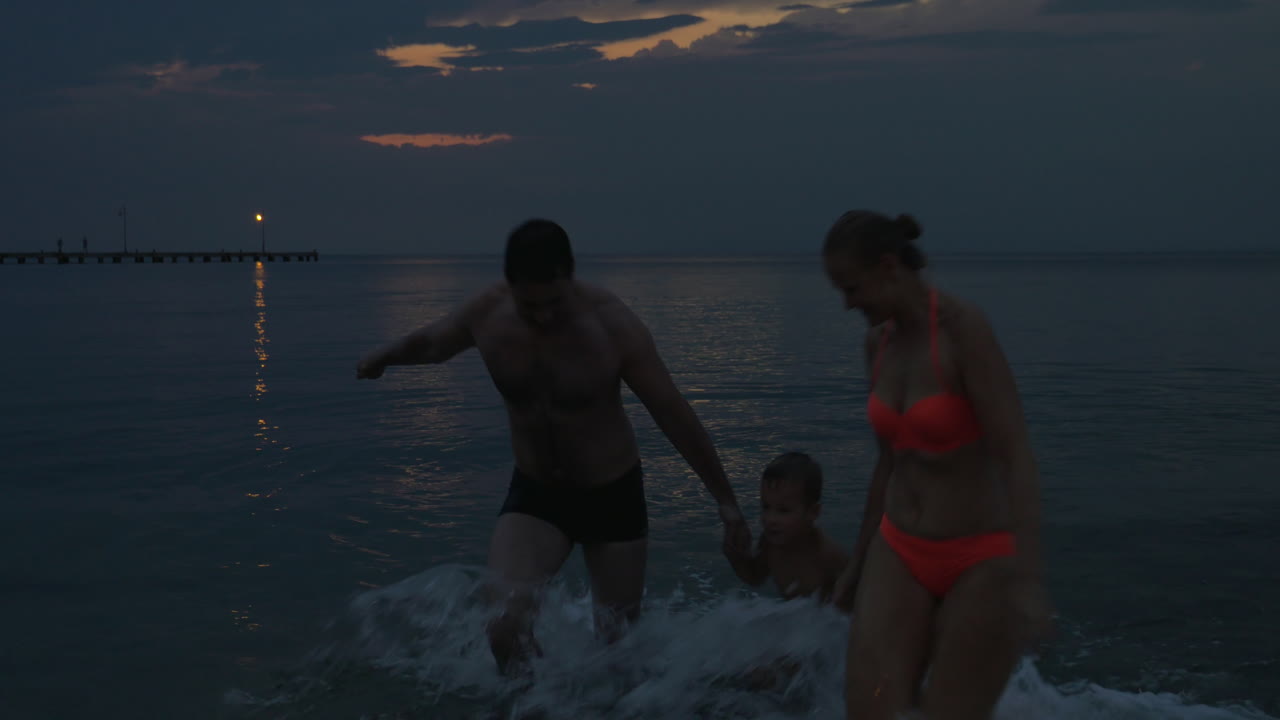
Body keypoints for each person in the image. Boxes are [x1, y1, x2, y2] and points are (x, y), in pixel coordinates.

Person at [356, 218, 752, 675]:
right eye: (530, 306)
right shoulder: (488, 314)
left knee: (618, 652)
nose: (543, 316)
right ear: (510, 286)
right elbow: (433, 343)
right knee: (503, 628)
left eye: (554, 303)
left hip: (612, 495)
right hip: (537, 495)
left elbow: (672, 413)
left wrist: (726, 503)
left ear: (571, 277)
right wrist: (385, 357)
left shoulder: (612, 326)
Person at [822, 211, 1051, 720]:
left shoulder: (962, 330)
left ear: (888, 266)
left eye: (852, 287)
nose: (847, 303)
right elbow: (888, 464)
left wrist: (1029, 579)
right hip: (900, 546)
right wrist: (858, 565)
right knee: (868, 709)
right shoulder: (876, 344)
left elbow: (1015, 455)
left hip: (980, 556)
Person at [727, 452, 848, 604]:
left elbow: (857, 600)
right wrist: (736, 557)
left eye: (783, 510)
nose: (770, 519)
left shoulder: (827, 554)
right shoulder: (770, 543)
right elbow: (755, 577)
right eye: (766, 507)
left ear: (812, 512)